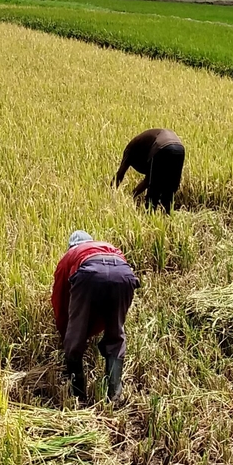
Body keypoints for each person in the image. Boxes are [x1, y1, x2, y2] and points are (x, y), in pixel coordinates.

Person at [51, 230, 140, 404]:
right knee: (115, 333)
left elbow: (60, 298)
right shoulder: (109, 248)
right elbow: (111, 277)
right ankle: (115, 395)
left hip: (89, 274)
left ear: (71, 246)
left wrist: (67, 331)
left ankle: (78, 394)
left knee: (75, 337)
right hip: (124, 275)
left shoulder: (71, 255)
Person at [114, 128, 185, 212]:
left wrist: (112, 190)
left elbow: (120, 174)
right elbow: (147, 180)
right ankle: (168, 217)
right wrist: (133, 195)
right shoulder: (144, 146)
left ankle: (150, 215)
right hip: (180, 148)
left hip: (161, 147)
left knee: (154, 191)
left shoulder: (129, 150)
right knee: (171, 187)